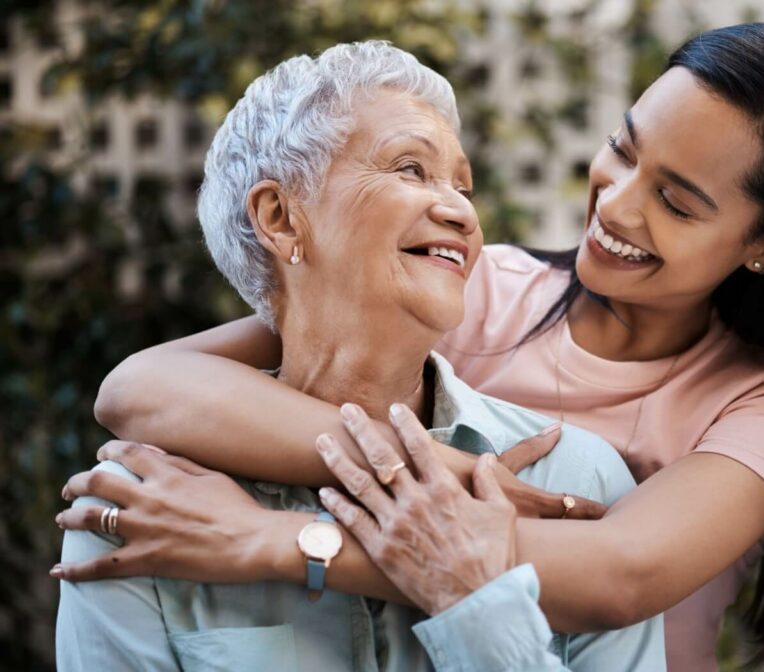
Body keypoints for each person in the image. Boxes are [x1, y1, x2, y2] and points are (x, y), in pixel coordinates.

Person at [58, 23, 764, 671]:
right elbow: (147, 385)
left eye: (679, 205)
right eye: (622, 150)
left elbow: (616, 572)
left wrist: (280, 544)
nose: (616, 206)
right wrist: (452, 472)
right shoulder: (479, 286)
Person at [53, 41, 666, 672]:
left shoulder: (573, 481)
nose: (461, 210)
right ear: (281, 217)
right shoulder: (142, 504)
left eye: (463, 184)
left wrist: (467, 596)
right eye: (409, 169)